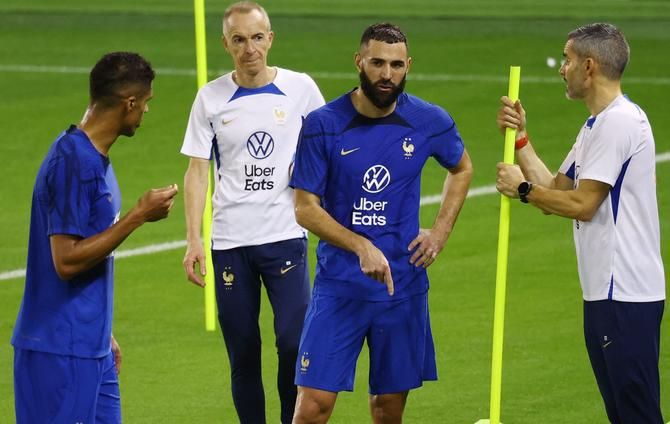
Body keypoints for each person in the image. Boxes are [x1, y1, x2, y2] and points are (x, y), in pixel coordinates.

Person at [290, 23, 473, 423]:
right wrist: (361, 246)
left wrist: (440, 232)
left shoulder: (428, 120)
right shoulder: (323, 124)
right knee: (312, 408)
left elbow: (461, 168)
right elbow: (305, 208)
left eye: (395, 65)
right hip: (339, 287)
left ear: (408, 66)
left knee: (388, 410)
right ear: (359, 62)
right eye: (377, 63)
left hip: (402, 289)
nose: (386, 74)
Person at [496, 23, 665, 423]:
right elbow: (556, 190)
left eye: (567, 60)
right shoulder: (595, 125)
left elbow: (583, 204)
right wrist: (521, 140)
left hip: (624, 293)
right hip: (606, 294)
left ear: (589, 66)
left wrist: (522, 190)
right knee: (623, 414)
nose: (562, 68)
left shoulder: (619, 123)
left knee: (637, 414)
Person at [11, 51, 178, 424]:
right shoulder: (74, 163)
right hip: (59, 349)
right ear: (129, 103)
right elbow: (66, 261)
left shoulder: (93, 157)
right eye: (145, 102)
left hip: (90, 345)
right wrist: (137, 216)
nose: (146, 111)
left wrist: (103, 332)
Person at [180, 2, 325, 422]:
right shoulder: (210, 98)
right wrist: (193, 239)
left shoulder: (301, 89)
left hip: (285, 236)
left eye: (257, 37)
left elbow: (327, 146)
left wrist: (308, 173)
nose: (250, 49)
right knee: (243, 352)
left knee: (293, 343)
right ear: (225, 44)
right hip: (231, 243)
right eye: (239, 40)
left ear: (271, 39)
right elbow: (197, 171)